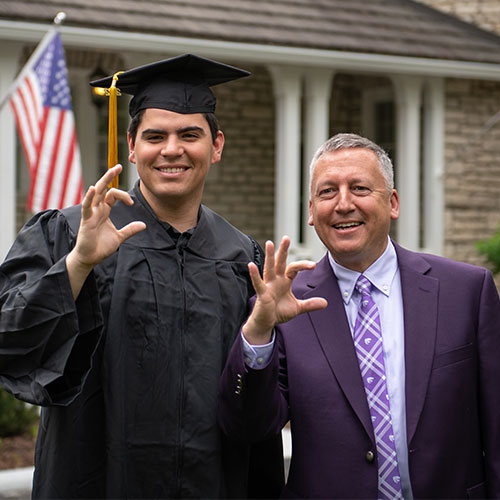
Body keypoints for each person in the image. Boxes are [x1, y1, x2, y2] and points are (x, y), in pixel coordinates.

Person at [0, 54, 284, 499]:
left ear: (217, 145)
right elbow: (9, 342)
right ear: (132, 146)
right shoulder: (70, 234)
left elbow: (256, 411)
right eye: (155, 136)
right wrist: (76, 266)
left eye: (190, 134)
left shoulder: (242, 257)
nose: (172, 149)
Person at [218, 133, 500, 499]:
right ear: (310, 211)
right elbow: (248, 426)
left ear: (393, 202)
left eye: (360, 188)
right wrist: (258, 332)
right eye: (327, 192)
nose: (343, 204)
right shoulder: (285, 306)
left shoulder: (465, 291)